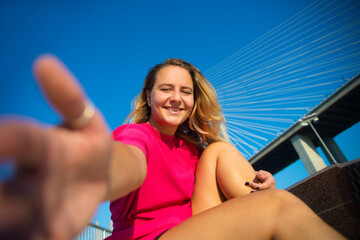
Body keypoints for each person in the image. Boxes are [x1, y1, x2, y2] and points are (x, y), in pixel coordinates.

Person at [0, 55, 344, 240]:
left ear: (195, 101)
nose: (176, 98)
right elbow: (129, 163)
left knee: (220, 151)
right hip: (150, 238)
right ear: (148, 96)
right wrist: (95, 171)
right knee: (276, 208)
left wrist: (260, 185)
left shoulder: (197, 150)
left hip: (195, 228)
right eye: (166, 89)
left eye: (186, 91)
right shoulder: (135, 135)